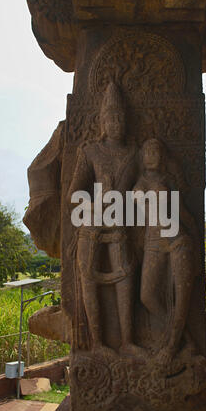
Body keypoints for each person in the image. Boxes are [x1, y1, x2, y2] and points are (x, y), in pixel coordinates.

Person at [68, 82, 146, 360]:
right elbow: (74, 194)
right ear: (102, 121)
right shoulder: (90, 152)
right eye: (111, 117)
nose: (116, 123)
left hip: (121, 225)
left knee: (126, 278)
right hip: (92, 225)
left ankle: (127, 341)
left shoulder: (136, 154)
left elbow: (143, 187)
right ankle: (98, 342)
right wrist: (95, 203)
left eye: (121, 117)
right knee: (89, 279)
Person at [133, 138, 200, 365]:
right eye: (148, 151)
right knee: (147, 296)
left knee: (181, 299)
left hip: (177, 239)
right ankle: (185, 338)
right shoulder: (139, 183)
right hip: (153, 241)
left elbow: (184, 214)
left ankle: (171, 346)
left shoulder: (168, 181)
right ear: (142, 156)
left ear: (162, 156)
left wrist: (197, 252)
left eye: (157, 151)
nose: (152, 155)